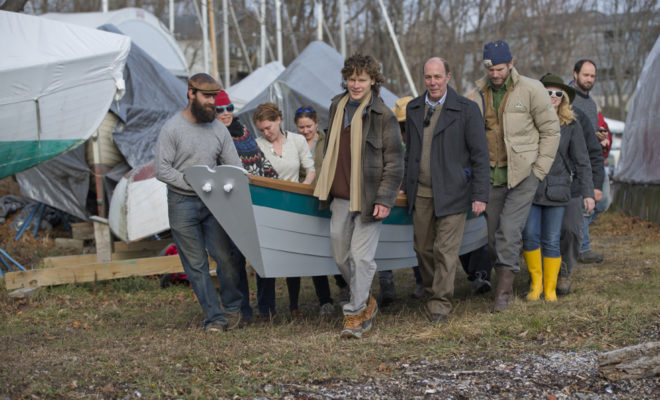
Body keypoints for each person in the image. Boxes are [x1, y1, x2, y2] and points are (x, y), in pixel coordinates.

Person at [314, 53, 404, 339]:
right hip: (340, 195)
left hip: (368, 197)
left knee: (361, 258)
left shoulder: (383, 115)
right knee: (341, 256)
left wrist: (384, 198)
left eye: (361, 79)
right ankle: (366, 300)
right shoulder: (336, 106)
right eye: (351, 79)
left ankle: (355, 316)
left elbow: (395, 161)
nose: (355, 84)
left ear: (373, 81)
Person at [466, 40, 560, 312]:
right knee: (494, 237)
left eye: (500, 69)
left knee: (508, 232)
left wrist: (539, 169)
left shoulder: (532, 90)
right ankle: (509, 275)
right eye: (491, 70)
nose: (495, 74)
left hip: (522, 175)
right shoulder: (477, 94)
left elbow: (551, 131)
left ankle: (503, 295)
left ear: (511, 64)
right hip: (491, 177)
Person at [402, 57, 489, 324]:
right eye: (428, 77)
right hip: (422, 193)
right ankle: (432, 291)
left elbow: (480, 154)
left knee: (445, 250)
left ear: (448, 77)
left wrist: (479, 194)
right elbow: (411, 153)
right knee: (423, 249)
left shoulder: (466, 109)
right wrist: (406, 183)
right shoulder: (414, 108)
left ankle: (440, 303)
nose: (433, 82)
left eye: (438, 77)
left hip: (453, 191)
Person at [155, 73, 244, 332]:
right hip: (181, 202)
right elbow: (162, 169)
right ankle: (214, 318)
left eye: (214, 97)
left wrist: (225, 187)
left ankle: (232, 308)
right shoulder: (172, 128)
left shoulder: (218, 128)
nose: (211, 103)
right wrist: (193, 183)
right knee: (196, 264)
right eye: (206, 96)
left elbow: (233, 165)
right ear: (191, 94)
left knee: (225, 257)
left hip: (214, 202)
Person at [522, 74, 595, 302]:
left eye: (557, 93)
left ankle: (550, 289)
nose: (553, 97)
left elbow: (583, 160)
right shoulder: (528, 120)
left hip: (558, 190)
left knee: (552, 239)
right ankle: (536, 285)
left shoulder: (571, 124)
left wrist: (588, 193)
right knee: (530, 235)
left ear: (563, 98)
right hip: (531, 188)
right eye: (548, 92)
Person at [215, 90, 278, 322]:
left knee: (263, 256)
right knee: (236, 258)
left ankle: (267, 308)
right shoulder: (213, 134)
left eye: (229, 108)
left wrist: (274, 181)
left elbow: (260, 161)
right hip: (231, 204)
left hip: (257, 200)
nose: (225, 114)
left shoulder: (242, 130)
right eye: (220, 110)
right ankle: (244, 310)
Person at [255, 102, 315, 319]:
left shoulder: (297, 140)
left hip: (295, 203)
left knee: (293, 257)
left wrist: (303, 189)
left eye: (269, 127)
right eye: (261, 129)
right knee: (266, 256)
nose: (266, 133)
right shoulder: (257, 145)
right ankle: (266, 309)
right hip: (268, 205)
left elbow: (310, 168)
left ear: (278, 120)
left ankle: (294, 305)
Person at [293, 105, 336, 316]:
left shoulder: (326, 141)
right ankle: (325, 299)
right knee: (314, 251)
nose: (305, 130)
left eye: (308, 126)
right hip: (305, 200)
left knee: (333, 246)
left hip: (328, 198)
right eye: (301, 127)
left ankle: (344, 286)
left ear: (316, 124)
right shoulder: (294, 143)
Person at [570, 59, 610, 264]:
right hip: (575, 163)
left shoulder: (591, 102)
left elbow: (592, 131)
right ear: (575, 74)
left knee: (603, 201)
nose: (589, 79)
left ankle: (577, 237)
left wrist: (601, 137)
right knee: (587, 204)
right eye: (585, 75)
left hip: (593, 159)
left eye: (592, 76)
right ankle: (582, 248)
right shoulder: (566, 97)